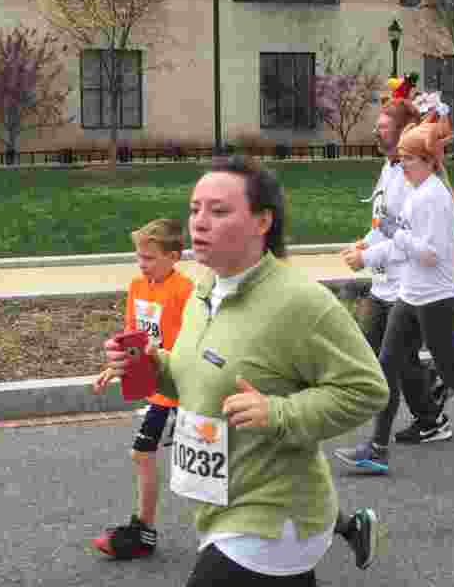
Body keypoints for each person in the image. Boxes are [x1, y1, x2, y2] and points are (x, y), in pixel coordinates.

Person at [102, 155, 389, 585]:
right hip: (221, 508)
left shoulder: (299, 302)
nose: (199, 222)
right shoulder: (205, 290)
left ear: (262, 222)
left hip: (271, 515)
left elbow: (367, 389)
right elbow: (192, 377)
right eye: (195, 209)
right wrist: (147, 363)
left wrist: (278, 413)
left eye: (219, 211)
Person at [334, 93, 454, 475]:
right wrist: (377, 242)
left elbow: (430, 254)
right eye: (400, 158)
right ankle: (378, 449)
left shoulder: (435, 198)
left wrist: (393, 237)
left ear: (427, 161)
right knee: (386, 365)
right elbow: (396, 234)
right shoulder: (417, 194)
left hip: (435, 298)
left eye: (408, 159)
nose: (401, 165)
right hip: (408, 295)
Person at [341, 74, 451, 445]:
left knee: (389, 358)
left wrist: (367, 254)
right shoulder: (390, 169)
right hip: (386, 280)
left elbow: (405, 237)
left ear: (406, 130)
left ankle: (385, 439)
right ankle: (429, 400)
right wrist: (365, 242)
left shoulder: (412, 177)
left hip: (408, 282)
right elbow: (383, 221)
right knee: (382, 354)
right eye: (377, 126)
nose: (377, 132)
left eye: (384, 127)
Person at [91, 219, 194, 559]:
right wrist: (113, 366)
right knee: (143, 454)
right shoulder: (137, 286)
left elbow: (190, 344)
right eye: (139, 257)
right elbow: (131, 338)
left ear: (174, 257)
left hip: (181, 388)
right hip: (157, 390)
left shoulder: (185, 291)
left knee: (211, 468)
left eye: (149, 258)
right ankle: (143, 531)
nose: (141, 263)